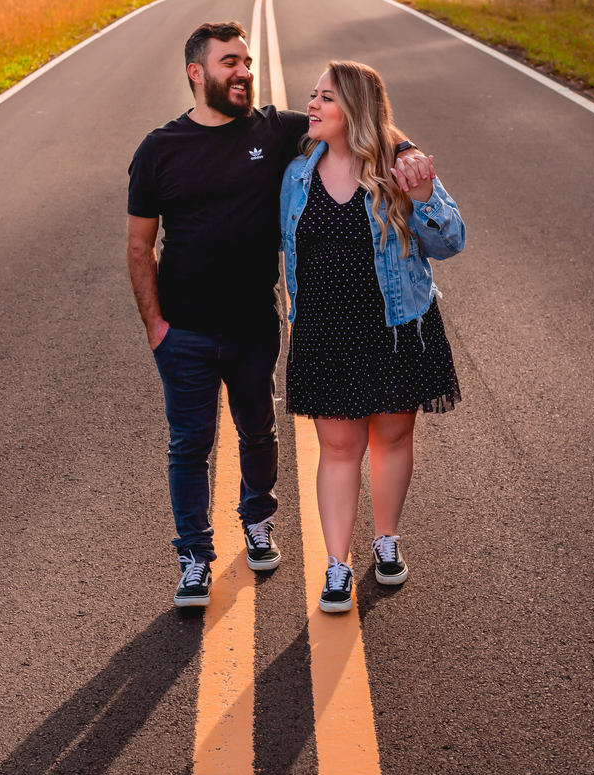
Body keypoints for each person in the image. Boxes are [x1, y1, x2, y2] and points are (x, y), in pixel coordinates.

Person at [126, 22, 310, 607]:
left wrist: (403, 149)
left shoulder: (274, 131)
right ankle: (194, 557)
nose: (245, 72)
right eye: (230, 62)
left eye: (248, 62)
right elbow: (138, 247)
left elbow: (354, 118)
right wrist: (157, 328)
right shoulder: (160, 151)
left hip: (255, 323)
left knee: (258, 428)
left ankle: (257, 521)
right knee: (190, 445)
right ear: (196, 73)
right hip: (185, 331)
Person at [279, 60, 466, 613]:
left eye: (326, 98)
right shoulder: (296, 173)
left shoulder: (399, 171)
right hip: (325, 330)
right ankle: (337, 565)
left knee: (391, 440)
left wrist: (427, 193)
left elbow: (451, 242)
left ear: (356, 109)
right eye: (313, 95)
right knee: (338, 449)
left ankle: (386, 542)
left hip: (395, 328)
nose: (312, 105)